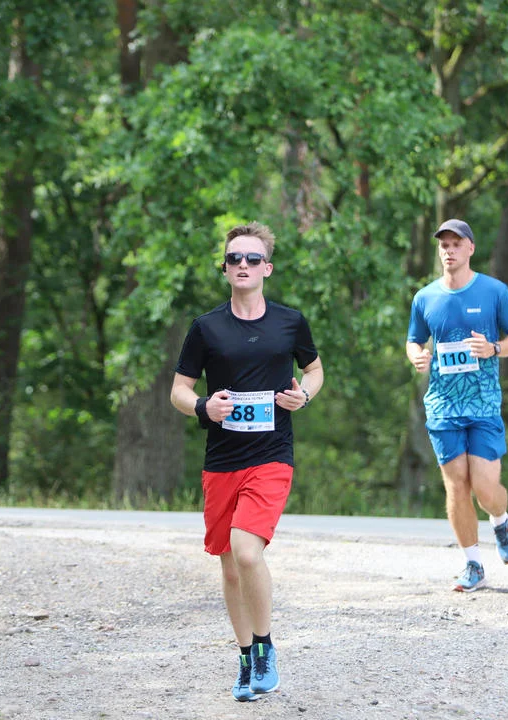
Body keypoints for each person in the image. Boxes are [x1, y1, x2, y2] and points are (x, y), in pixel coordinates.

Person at [169, 221, 323, 701]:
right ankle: (243, 660)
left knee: (248, 551)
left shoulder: (290, 322)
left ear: (267, 268)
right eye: (234, 258)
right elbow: (178, 388)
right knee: (230, 565)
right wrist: (202, 407)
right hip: (222, 460)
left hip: (272, 455)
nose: (242, 265)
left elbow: (314, 371)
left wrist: (304, 396)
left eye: (252, 258)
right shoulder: (207, 327)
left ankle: (264, 647)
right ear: (225, 268)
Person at [406, 219, 508, 592]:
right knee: (457, 484)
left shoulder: (493, 291)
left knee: (485, 488)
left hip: (483, 404)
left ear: (470, 248)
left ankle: (501, 519)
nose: (449, 249)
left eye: (456, 243)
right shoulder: (425, 297)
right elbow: (413, 339)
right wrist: (416, 356)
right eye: (443, 244)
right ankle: (473, 563)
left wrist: (493, 348)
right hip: (443, 405)